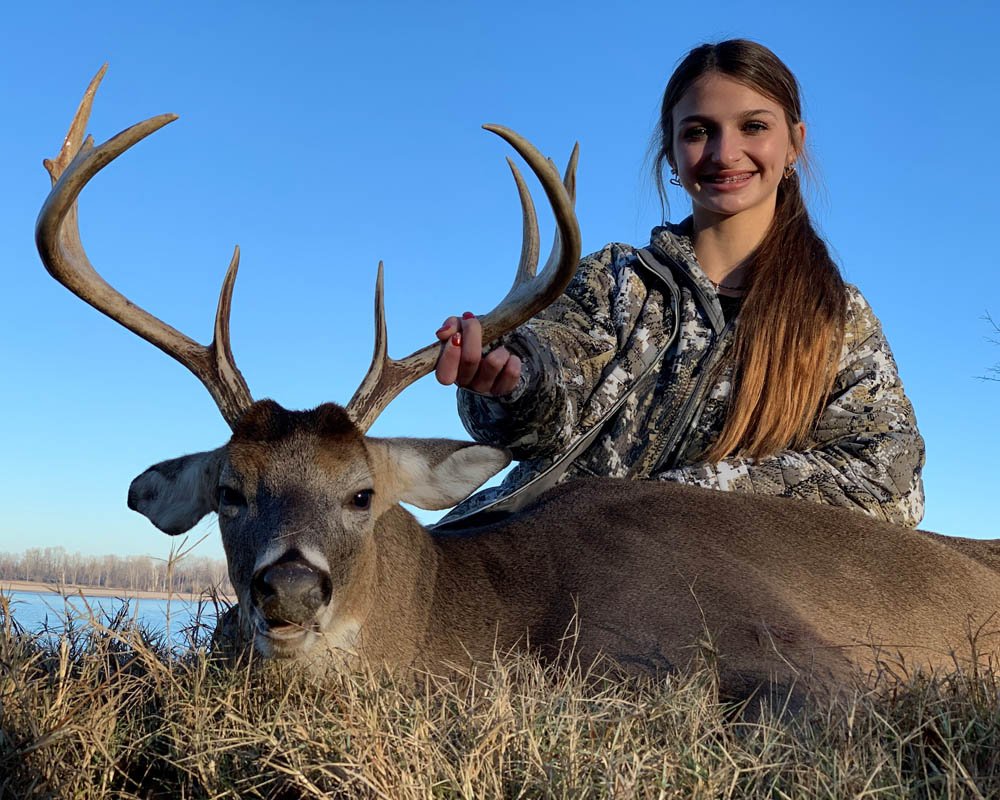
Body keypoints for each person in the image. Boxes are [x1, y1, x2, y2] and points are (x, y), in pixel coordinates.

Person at [433, 38, 925, 529]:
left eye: (753, 126)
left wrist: (673, 500)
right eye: (698, 132)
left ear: (794, 142)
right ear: (670, 151)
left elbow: (889, 481)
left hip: (699, 571)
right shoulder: (617, 279)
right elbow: (550, 384)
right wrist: (512, 381)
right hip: (537, 544)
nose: (725, 153)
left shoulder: (837, 320)